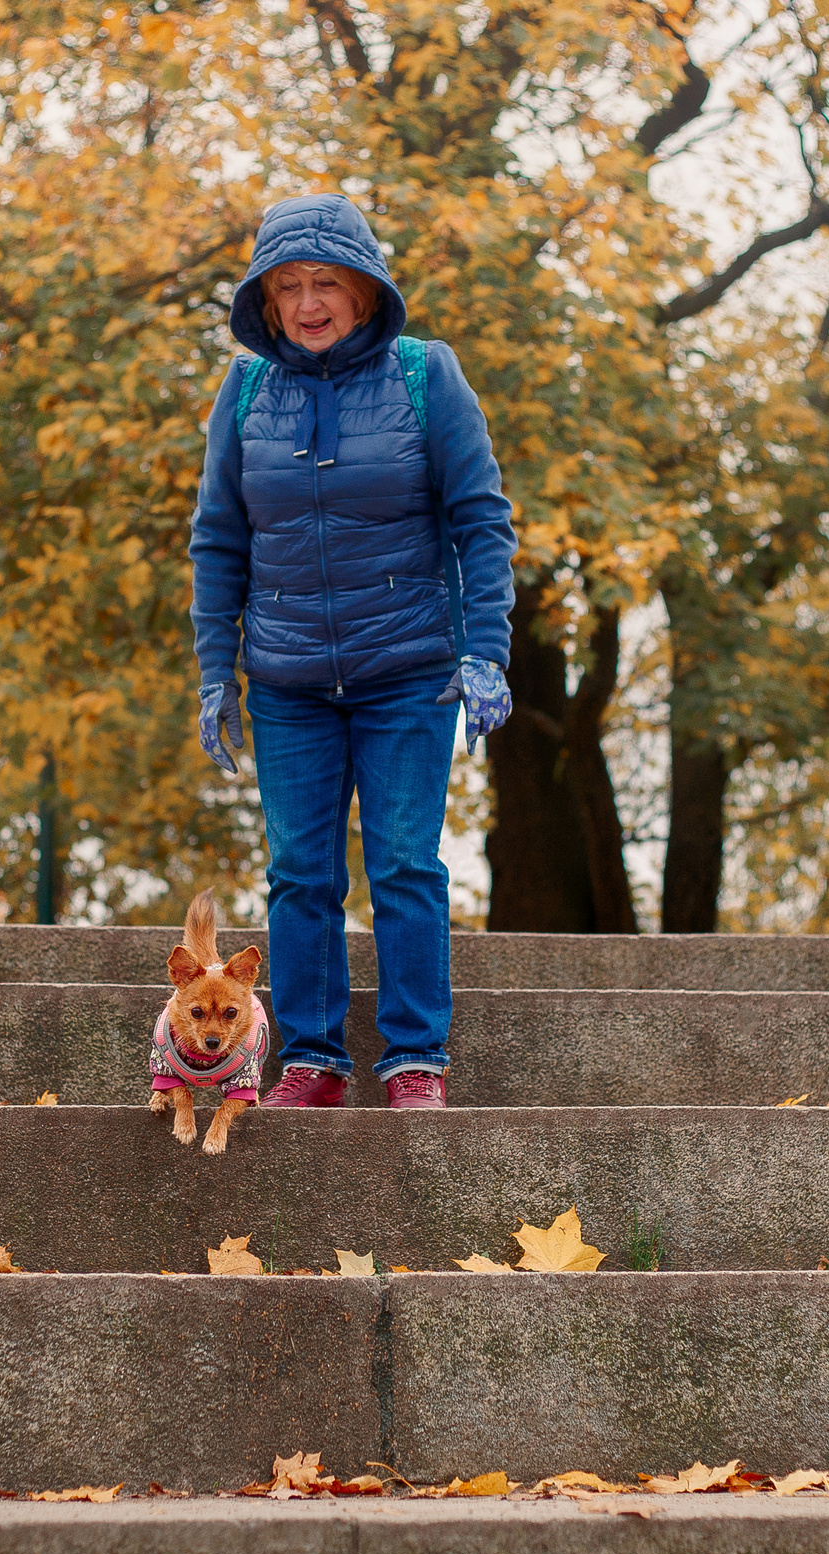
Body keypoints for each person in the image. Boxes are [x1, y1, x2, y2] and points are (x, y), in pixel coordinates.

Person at [186, 193, 518, 1110]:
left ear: (367, 290)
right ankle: (312, 1061)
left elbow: (481, 522)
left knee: (405, 862)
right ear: (266, 299)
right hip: (290, 680)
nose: (306, 302)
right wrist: (219, 669)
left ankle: (415, 1059)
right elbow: (218, 539)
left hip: (408, 670)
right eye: (286, 285)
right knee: (300, 872)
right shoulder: (246, 391)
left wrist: (484, 650)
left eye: (324, 281)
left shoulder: (427, 376)